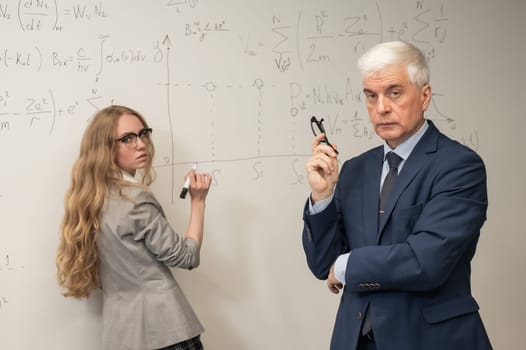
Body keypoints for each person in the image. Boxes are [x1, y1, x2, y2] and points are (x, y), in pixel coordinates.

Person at [302, 41, 492, 350]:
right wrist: (321, 196)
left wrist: (345, 267)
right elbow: (323, 264)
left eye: (395, 92)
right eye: (371, 96)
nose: (381, 108)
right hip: (354, 341)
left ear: (425, 96)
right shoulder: (354, 169)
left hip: (431, 340)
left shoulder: (459, 166)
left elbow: (425, 261)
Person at [56, 105, 212, 350]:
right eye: (127, 138)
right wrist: (198, 202)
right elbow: (187, 257)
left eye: (143, 134)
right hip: (166, 331)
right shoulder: (135, 199)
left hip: (122, 335)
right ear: (105, 147)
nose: (141, 144)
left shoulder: (90, 200)